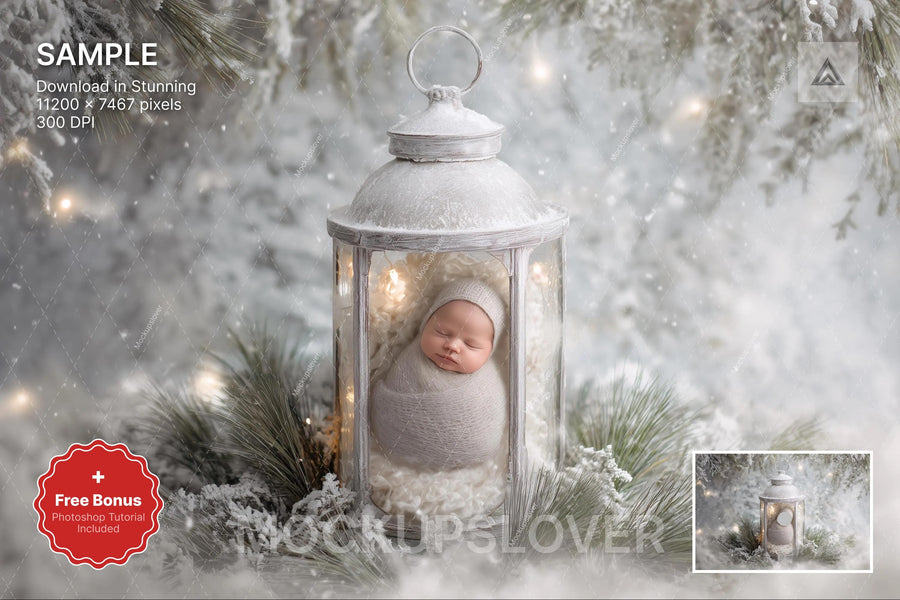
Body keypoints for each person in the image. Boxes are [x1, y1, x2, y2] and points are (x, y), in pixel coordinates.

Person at [370, 279, 507, 469]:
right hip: (398, 462)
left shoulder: (487, 384)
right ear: (425, 324)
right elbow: (388, 412)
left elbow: (490, 427)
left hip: (471, 468)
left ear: (490, 351)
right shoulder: (408, 364)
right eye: (442, 332)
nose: (452, 346)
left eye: (471, 344)